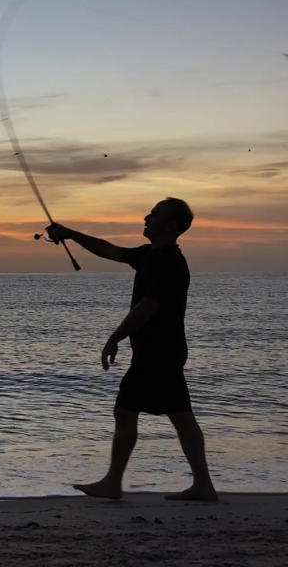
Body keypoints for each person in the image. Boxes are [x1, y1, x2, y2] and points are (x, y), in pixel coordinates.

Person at [46, 198, 217, 501]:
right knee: (175, 414)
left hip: (159, 352)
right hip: (160, 351)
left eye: (155, 214)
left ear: (171, 225)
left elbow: (148, 306)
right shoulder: (150, 254)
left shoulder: (169, 263)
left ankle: (116, 482)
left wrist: (115, 337)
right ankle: (201, 484)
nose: (147, 217)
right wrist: (69, 233)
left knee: (131, 410)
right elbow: (109, 250)